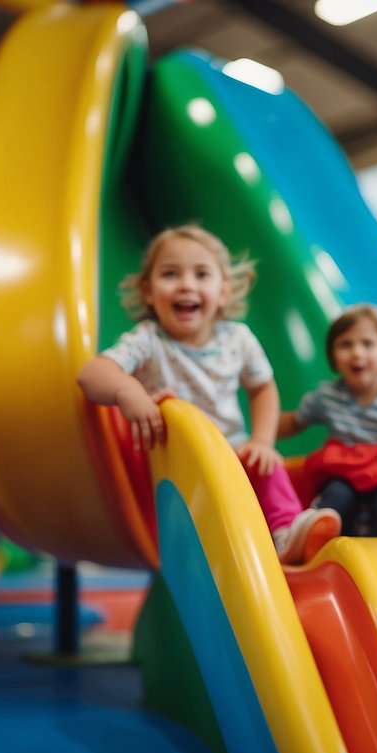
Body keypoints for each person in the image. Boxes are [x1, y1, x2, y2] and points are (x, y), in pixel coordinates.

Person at [77, 224, 340, 564]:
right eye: (170, 274)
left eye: (202, 274)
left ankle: (285, 533)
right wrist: (128, 389)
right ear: (147, 291)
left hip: (229, 454)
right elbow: (90, 374)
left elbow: (262, 388)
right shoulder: (148, 340)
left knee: (265, 464)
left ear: (223, 292)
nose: (187, 284)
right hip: (174, 469)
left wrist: (262, 440)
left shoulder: (237, 338)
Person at [279, 303, 377, 536]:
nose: (357, 353)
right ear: (333, 357)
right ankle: (316, 538)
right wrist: (259, 429)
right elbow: (294, 422)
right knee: (335, 497)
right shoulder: (326, 396)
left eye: (367, 344)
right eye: (346, 344)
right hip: (343, 471)